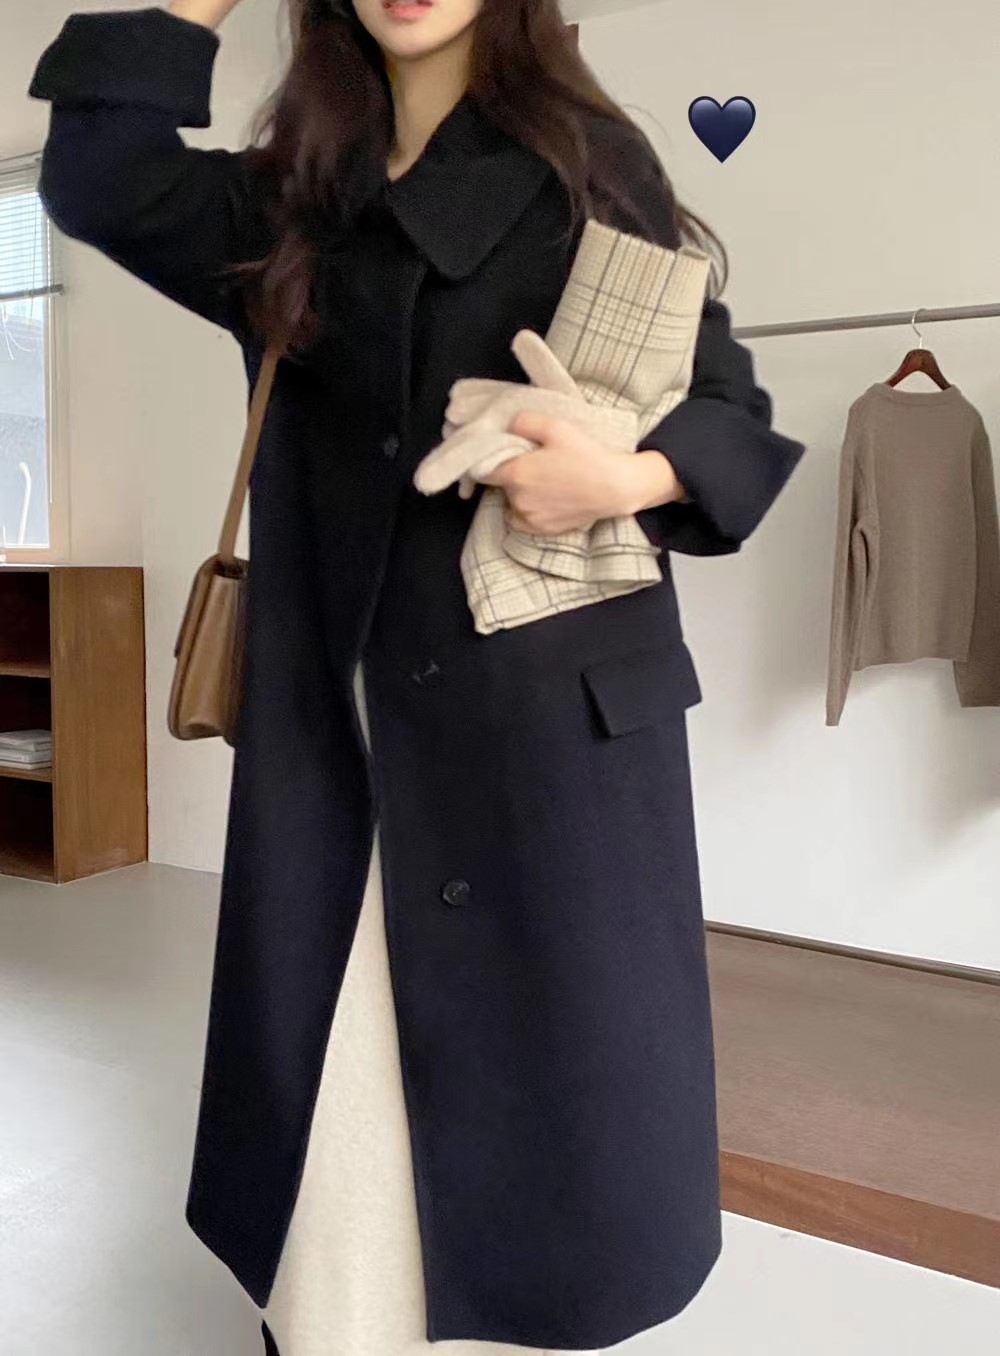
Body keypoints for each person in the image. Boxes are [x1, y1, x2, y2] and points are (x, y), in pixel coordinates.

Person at [27, 3, 806, 1355]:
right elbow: (96, 172)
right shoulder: (291, 199)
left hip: (543, 734)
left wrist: (619, 477)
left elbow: (728, 408)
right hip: (342, 734)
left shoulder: (587, 164)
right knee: (337, 1102)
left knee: (550, 1112)